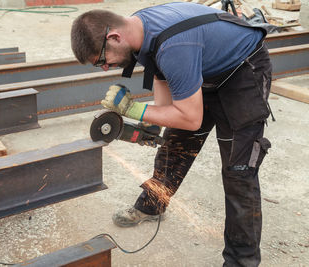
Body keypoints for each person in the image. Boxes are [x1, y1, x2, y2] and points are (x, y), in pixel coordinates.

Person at [71, 2, 273, 266]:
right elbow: (166, 95)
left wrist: (134, 109)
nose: (106, 68)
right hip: (204, 68)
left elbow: (190, 117)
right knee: (175, 145)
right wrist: (154, 119)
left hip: (243, 72)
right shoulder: (140, 32)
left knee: (239, 171)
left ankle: (241, 261)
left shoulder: (174, 46)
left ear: (114, 37)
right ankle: (152, 204)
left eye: (101, 61)